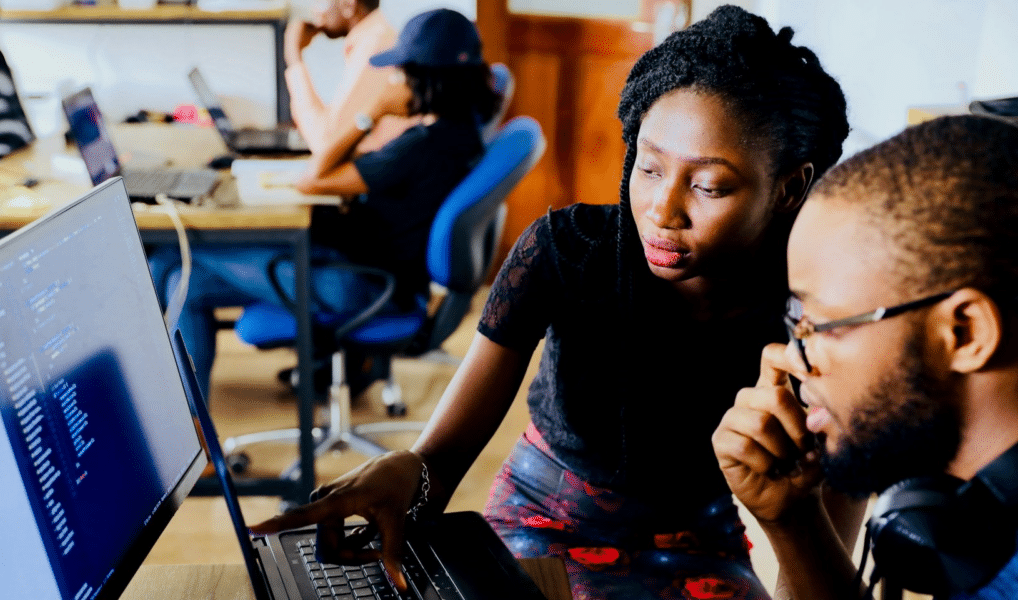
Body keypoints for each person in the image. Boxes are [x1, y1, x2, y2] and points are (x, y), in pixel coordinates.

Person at [251, 6, 855, 599]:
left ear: (790, 187)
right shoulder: (568, 253)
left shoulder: (826, 326)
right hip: (540, 520)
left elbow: (819, 579)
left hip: (699, 543)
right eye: (647, 169)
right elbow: (438, 462)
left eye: (708, 186)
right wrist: (410, 472)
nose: (662, 213)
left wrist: (790, 517)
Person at [712, 115, 1018, 600]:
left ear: (964, 333)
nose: (791, 357)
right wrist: (793, 521)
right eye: (796, 321)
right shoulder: (967, 516)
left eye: (822, 325)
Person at [149, 8, 500, 398]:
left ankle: (186, 426)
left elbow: (313, 177)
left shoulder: (421, 147)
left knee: (176, 265)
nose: (393, 79)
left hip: (359, 285)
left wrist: (371, 112)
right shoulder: (462, 134)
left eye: (401, 71)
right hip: (374, 273)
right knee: (178, 272)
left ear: (426, 78)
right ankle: (191, 426)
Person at [284, 0, 412, 155]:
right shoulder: (375, 38)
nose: (314, 10)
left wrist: (294, 58)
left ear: (348, 4)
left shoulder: (374, 48)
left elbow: (325, 144)